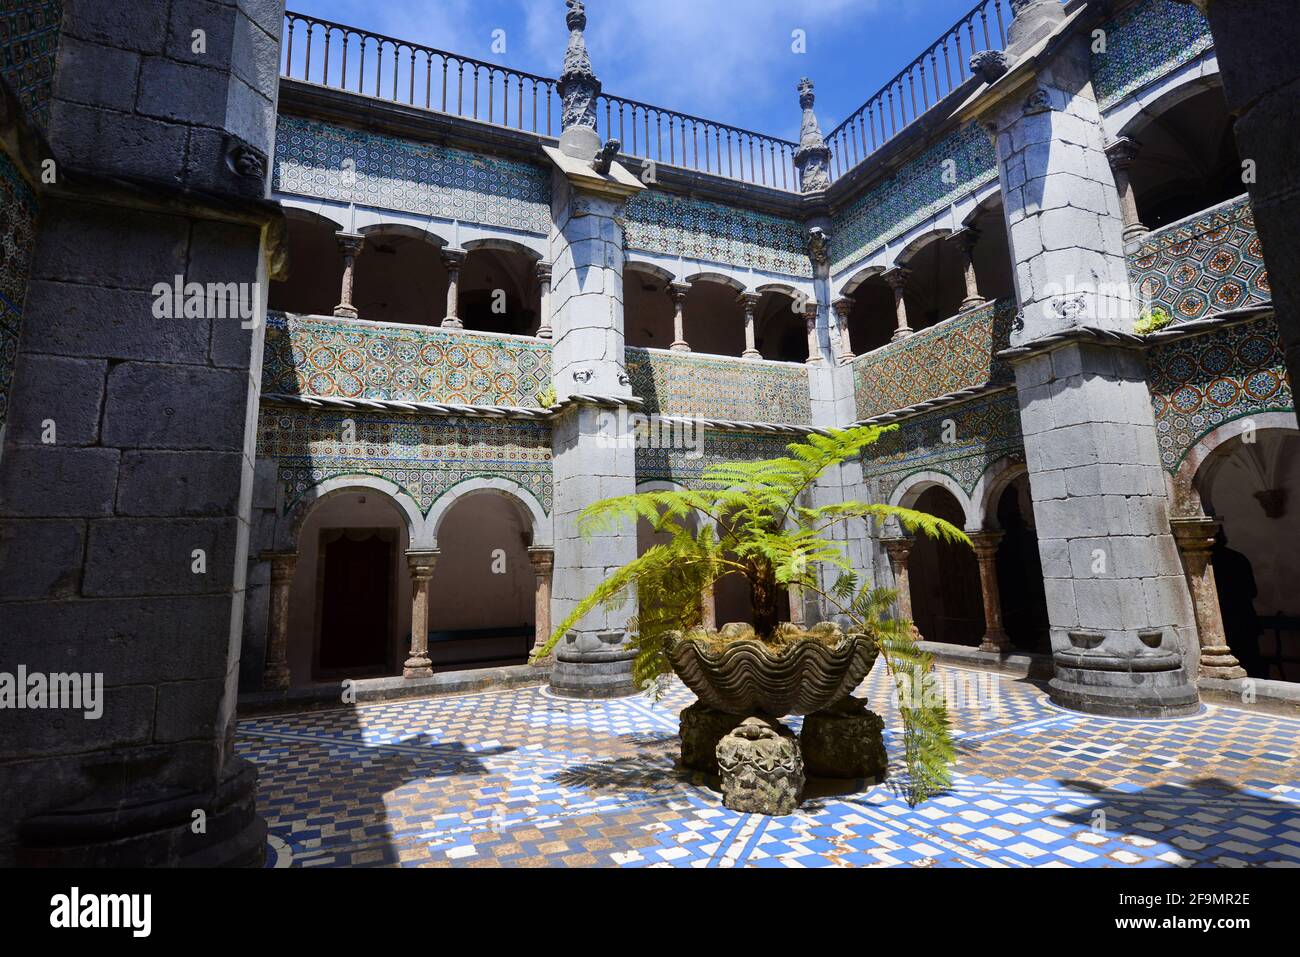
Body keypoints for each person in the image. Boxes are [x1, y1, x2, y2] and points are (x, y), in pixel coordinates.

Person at [1211, 528, 1262, 677]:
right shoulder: (1238, 557)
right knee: (1251, 662)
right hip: (1245, 619)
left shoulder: (1209, 563)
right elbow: (1253, 591)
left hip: (1227, 623)